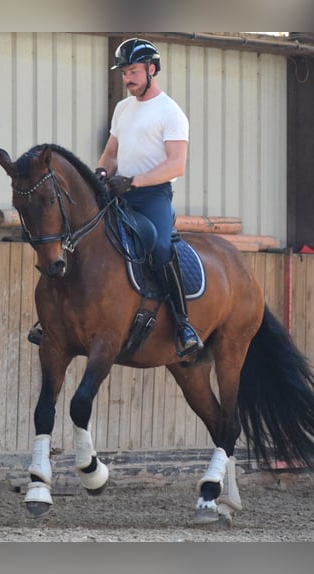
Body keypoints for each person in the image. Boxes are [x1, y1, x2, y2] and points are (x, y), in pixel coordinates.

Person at [96, 38, 203, 358]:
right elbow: (111, 152)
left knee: (158, 245)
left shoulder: (171, 113)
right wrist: (100, 174)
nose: (127, 78)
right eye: (124, 72)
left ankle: (183, 323)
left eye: (132, 72)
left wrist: (134, 182)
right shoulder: (122, 108)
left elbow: (176, 164)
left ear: (151, 70)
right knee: (83, 230)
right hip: (118, 190)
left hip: (152, 195)